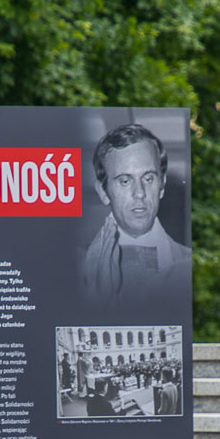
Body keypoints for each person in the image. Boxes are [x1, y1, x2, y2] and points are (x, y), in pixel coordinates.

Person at [80, 123, 192, 305]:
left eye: (148, 179)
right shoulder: (76, 267)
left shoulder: (189, 263)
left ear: (161, 185)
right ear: (103, 191)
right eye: (125, 181)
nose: (139, 193)